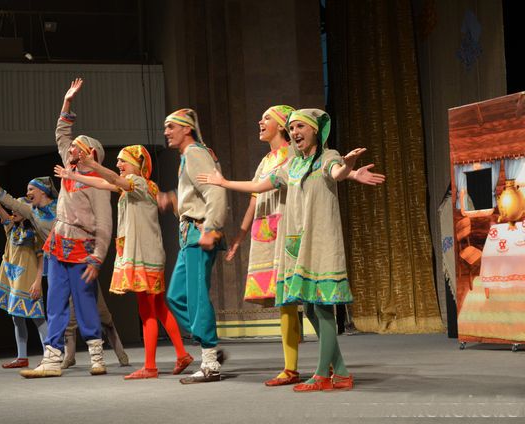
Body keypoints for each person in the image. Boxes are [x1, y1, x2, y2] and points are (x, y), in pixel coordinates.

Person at [199, 108, 368, 391]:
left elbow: (337, 173)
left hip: (321, 242)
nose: (295, 132)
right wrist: (223, 182)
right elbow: (259, 186)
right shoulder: (291, 166)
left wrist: (349, 166)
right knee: (310, 309)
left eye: (300, 127)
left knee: (323, 308)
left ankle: (322, 376)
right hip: (297, 243)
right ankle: (340, 372)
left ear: (315, 130)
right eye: (292, 128)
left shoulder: (327, 157)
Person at [54, 144, 194, 379]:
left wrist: (93, 164)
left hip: (144, 256)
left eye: (123, 161)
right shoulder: (138, 186)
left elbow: (112, 179)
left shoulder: (139, 183)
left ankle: (150, 367)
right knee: (158, 307)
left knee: (147, 310)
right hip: (148, 254)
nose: (118, 164)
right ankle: (181, 354)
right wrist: (73, 176)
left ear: (137, 165)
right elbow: (104, 183)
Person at [0, 160, 129, 368]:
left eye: (31, 189)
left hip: (78, 258)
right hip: (57, 262)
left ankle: (119, 352)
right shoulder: (32, 211)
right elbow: (8, 201)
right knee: (64, 314)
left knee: (100, 311)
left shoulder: (62, 204)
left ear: (42, 191)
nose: (27, 193)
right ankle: (68, 357)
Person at [20, 78, 112, 378]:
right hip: (59, 243)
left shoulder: (96, 183)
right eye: (72, 146)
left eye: (77, 147)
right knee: (55, 300)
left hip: (83, 246)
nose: (70, 148)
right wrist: (67, 101)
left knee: (85, 301)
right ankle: (52, 358)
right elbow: (61, 133)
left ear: (89, 154)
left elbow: (104, 223)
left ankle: (96, 355)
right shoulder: (68, 168)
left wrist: (98, 257)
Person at [157, 109, 227, 384]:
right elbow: (195, 193)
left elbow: (215, 190)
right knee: (176, 296)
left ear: (186, 129)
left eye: (171, 126)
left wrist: (211, 228)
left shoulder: (196, 153)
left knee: (197, 297)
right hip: (188, 234)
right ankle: (208, 344)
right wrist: (174, 198)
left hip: (200, 232)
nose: (166, 131)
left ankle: (210, 362)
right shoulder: (188, 156)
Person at [0, 174, 47, 369]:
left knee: (38, 318)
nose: (13, 211)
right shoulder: (11, 228)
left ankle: (50, 355)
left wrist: (38, 282)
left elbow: (41, 259)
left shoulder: (35, 233)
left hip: (28, 279)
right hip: (12, 277)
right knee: (17, 317)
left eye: (17, 208)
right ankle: (22, 356)